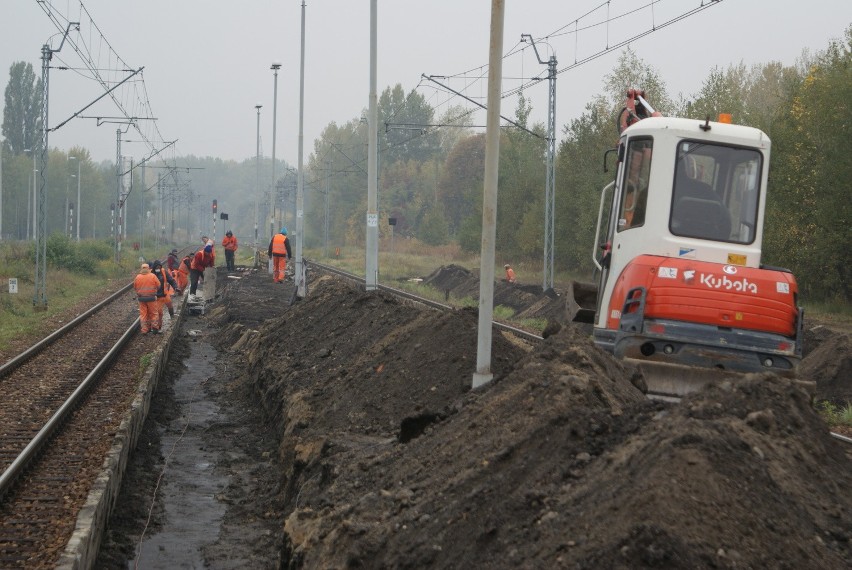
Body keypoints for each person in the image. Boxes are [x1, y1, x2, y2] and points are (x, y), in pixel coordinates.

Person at [151, 259, 178, 331]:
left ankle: (172, 316)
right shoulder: (151, 274)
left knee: (170, 305)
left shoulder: (163, 271)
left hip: (165, 294)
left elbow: (171, 280)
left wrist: (175, 287)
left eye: (159, 267)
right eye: (156, 267)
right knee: (159, 312)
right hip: (157, 297)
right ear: (154, 268)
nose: (158, 269)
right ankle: (158, 327)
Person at [133, 263, 160, 334]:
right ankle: (155, 328)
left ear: (141, 269)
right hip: (151, 298)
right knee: (154, 313)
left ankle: (144, 329)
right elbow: (158, 285)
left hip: (141, 299)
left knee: (143, 314)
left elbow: (135, 287)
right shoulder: (152, 276)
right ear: (148, 268)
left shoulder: (137, 277)